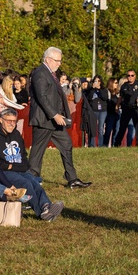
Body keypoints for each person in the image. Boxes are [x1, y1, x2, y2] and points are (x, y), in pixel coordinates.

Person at [0, 109, 64, 221]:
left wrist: (22, 166)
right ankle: (42, 211)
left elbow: (23, 155)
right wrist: (8, 166)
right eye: (9, 121)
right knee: (25, 183)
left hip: (20, 169)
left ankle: (46, 205)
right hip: (3, 172)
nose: (12, 124)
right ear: (1, 120)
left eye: (14, 121)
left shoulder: (16, 134)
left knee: (34, 182)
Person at [28, 48, 90, 188]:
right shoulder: (40, 73)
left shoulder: (50, 74)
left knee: (66, 144)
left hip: (55, 121)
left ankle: (72, 179)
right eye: (57, 60)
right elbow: (42, 97)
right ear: (48, 59)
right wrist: (54, 115)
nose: (59, 64)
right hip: (44, 120)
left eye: (60, 60)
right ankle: (31, 181)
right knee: (37, 153)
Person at [115, 69, 138, 147]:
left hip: (137, 108)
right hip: (126, 108)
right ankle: (117, 143)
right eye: (128, 75)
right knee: (122, 126)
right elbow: (121, 97)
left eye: (132, 75)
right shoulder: (124, 86)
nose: (130, 77)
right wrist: (117, 105)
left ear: (135, 76)